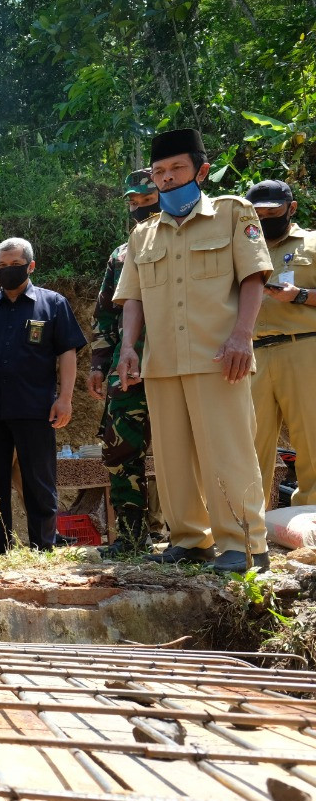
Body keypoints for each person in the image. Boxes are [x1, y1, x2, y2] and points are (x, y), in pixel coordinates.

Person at [114, 127, 273, 574]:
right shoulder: (144, 235)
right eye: (159, 171)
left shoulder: (231, 213)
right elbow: (134, 299)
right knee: (172, 458)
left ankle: (244, 543)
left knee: (228, 451)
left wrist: (242, 335)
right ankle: (190, 539)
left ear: (201, 170)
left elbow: (253, 279)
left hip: (220, 357)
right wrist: (128, 348)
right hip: (161, 362)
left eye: (176, 168)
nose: (166, 178)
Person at [0, 238, 86, 556]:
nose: (9, 270)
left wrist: (64, 399)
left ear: (31, 266)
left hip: (36, 408)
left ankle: (43, 546)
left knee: (39, 480)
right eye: (2, 265)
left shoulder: (52, 304)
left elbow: (67, 353)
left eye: (15, 264)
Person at [88, 170, 160, 558]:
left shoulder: (189, 244)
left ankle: (191, 534)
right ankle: (132, 537)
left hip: (174, 361)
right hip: (126, 368)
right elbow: (104, 315)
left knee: (183, 447)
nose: (140, 208)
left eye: (148, 201)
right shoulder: (120, 254)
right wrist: (99, 363)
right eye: (134, 202)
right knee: (120, 450)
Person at [246, 180, 316, 509]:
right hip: (252, 354)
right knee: (248, 443)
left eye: (272, 211)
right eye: (256, 213)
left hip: (302, 348)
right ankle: (244, 528)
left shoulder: (312, 244)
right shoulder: (240, 249)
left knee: (312, 439)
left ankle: (312, 519)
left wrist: (299, 295)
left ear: (292, 208)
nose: (264, 218)